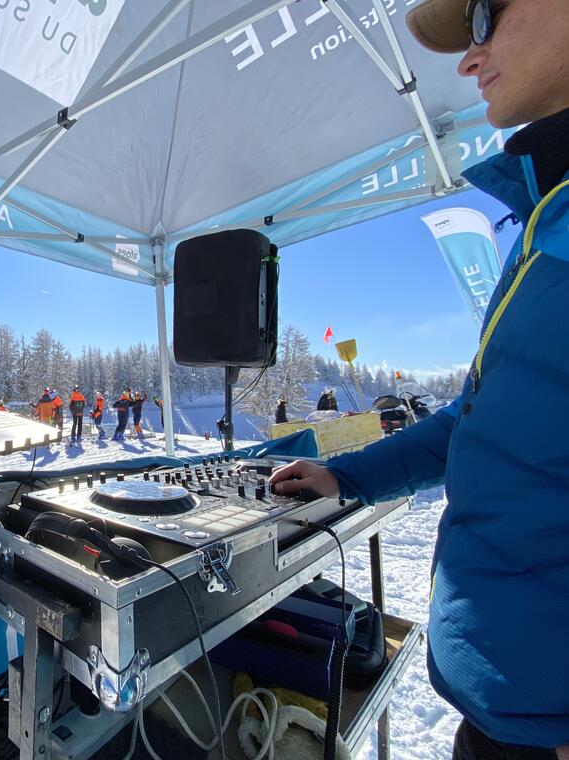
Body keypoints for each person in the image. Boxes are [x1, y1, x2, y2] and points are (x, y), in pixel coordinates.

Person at [272, 0, 569, 754]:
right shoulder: (541, 222)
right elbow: (479, 417)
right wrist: (346, 477)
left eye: (482, 18)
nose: (467, 60)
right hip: (506, 701)